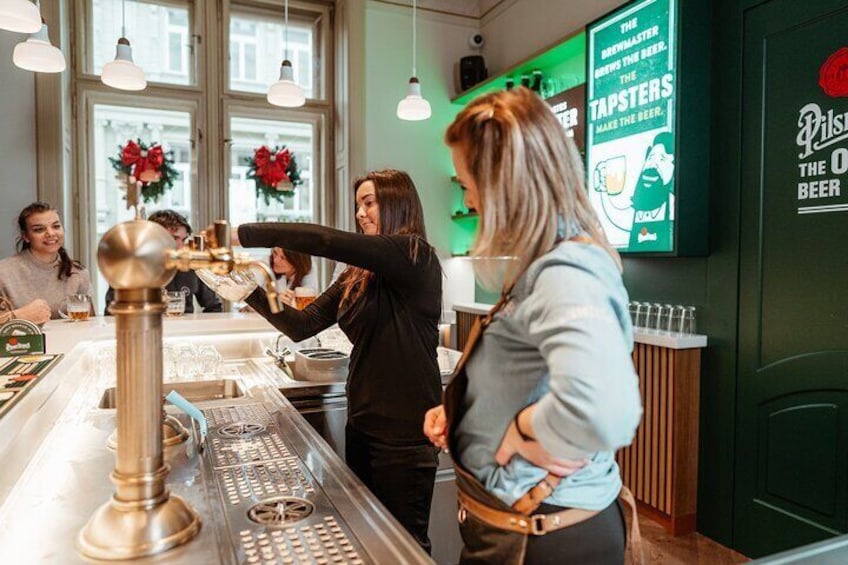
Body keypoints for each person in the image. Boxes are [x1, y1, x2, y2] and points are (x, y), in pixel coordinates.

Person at [423, 88, 643, 564]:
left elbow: (608, 408)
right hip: (518, 528)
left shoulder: (566, 269)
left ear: (506, 184)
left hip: (544, 540)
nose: (468, 198)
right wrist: (462, 414)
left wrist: (522, 429)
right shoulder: (540, 262)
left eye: (468, 182)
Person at [234, 169, 442, 553]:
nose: (360, 213)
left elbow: (325, 240)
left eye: (369, 203)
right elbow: (302, 324)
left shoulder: (415, 255)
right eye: (358, 205)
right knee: (367, 539)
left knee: (407, 548)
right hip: (362, 422)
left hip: (404, 433)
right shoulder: (357, 275)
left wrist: (242, 235)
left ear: (397, 204)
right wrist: (248, 290)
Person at [104, 210, 222, 315]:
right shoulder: (131, 267)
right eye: (174, 238)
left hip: (182, 334)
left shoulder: (191, 266)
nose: (181, 246)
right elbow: (111, 313)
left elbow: (214, 307)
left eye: (183, 239)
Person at [0, 202, 92, 323]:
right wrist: (19, 316)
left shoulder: (79, 273)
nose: (51, 233)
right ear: (26, 236)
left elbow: (90, 324)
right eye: (39, 229)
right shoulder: (3, 273)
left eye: (56, 226)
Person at [628, 131, 675, 251]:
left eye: (662, 159)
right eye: (650, 158)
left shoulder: (674, 205)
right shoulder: (639, 207)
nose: (652, 165)